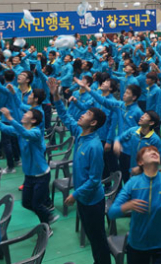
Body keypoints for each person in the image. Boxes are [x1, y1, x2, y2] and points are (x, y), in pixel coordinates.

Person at [48, 78, 111, 264]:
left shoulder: (94, 146)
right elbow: (65, 117)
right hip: (84, 198)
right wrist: (56, 97)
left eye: (88, 114)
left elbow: (94, 180)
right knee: (93, 238)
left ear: (93, 123)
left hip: (92, 201)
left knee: (98, 239)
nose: (83, 114)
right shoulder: (79, 133)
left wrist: (75, 194)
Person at [0, 101, 58, 225]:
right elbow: (2, 127)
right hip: (29, 176)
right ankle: (47, 215)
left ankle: (46, 225)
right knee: (26, 203)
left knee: (37, 204)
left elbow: (26, 133)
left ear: (33, 120)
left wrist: (10, 118)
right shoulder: (19, 131)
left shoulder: (36, 133)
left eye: (27, 113)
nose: (23, 114)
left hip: (41, 176)